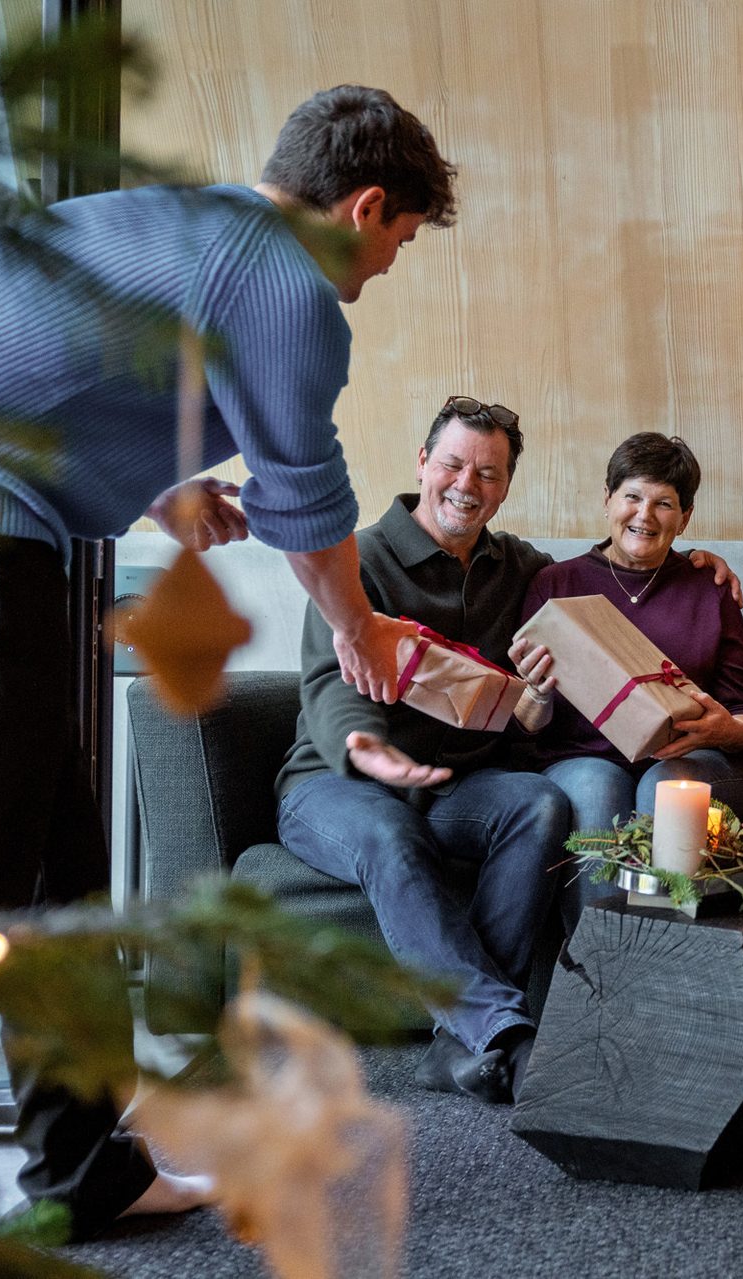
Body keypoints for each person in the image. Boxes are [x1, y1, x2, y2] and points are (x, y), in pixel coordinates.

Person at [0, 84, 454, 1237]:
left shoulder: (179, 225)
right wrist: (358, 626)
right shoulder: (292, 285)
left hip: (21, 542)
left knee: (59, 887)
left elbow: (46, 364)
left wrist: (158, 491)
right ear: (362, 204)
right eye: (395, 241)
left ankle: (84, 1169)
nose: (383, 269)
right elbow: (305, 497)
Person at [276, 397, 566, 1105]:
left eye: (489, 473)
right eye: (454, 464)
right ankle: (504, 1032)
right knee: (390, 832)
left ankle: (456, 1046)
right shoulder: (361, 558)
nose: (468, 484)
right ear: (422, 464)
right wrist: (364, 745)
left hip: (453, 782)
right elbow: (324, 678)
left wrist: (696, 564)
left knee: (540, 804)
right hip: (336, 783)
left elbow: (603, 577)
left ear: (505, 486)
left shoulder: (521, 567)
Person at [512, 432, 743, 864]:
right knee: (596, 788)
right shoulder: (555, 586)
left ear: (684, 518)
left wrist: (725, 731)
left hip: (691, 757)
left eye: (664, 504)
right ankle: (600, 933)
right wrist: (534, 695)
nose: (644, 515)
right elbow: (522, 724)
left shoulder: (710, 587)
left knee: (664, 788)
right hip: (581, 760)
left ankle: (664, 931)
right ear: (608, 499)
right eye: (632, 496)